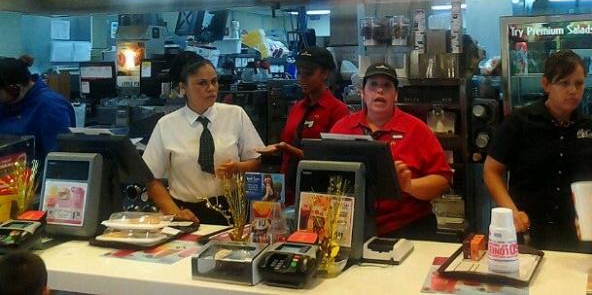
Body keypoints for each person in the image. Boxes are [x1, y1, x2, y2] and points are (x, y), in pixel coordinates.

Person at [484, 49, 592, 252]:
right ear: (546, 84)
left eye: (579, 83)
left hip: (578, 231)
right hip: (528, 228)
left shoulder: (591, 128)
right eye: (564, 83)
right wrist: (511, 211)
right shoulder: (519, 122)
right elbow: (491, 170)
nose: (573, 90)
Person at [330, 63, 452, 237]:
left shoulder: (417, 129)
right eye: (373, 85)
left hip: (407, 227)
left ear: (395, 95)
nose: (380, 91)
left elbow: (442, 181)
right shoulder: (342, 128)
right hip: (350, 227)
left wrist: (409, 186)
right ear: (362, 93)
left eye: (387, 86)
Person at [143, 51, 263, 224]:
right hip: (188, 212)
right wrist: (175, 212)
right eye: (202, 83)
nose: (211, 88)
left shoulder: (235, 114)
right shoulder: (166, 125)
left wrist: (238, 167)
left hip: (232, 208)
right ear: (183, 88)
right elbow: (151, 179)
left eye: (214, 81)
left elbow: (257, 160)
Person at [258, 47, 348, 203]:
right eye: (299, 73)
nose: (302, 79)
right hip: (288, 190)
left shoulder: (338, 110)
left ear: (325, 73)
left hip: (319, 192)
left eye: (308, 74)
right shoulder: (297, 108)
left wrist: (289, 149)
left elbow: (334, 159)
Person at [0, 55, 74, 166]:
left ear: (13, 89)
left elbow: (58, 162)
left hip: (33, 173)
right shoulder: (7, 102)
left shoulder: (51, 108)